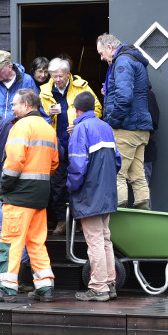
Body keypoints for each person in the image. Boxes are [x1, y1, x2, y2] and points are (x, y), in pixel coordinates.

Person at [0, 89, 58, 303]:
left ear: (26, 105)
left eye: (14, 105)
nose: (12, 109)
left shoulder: (21, 126)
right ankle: (45, 287)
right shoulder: (47, 128)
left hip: (18, 195)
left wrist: (4, 187)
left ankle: (6, 287)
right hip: (40, 196)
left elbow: (14, 162)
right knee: (36, 242)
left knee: (10, 241)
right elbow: (54, 164)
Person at [66, 92, 122, 301]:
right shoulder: (105, 127)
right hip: (107, 192)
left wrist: (70, 188)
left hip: (89, 194)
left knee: (95, 240)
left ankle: (98, 287)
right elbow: (117, 161)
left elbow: (77, 166)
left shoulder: (80, 129)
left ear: (76, 109)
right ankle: (109, 283)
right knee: (105, 238)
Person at [39, 57, 102, 235]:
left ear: (68, 73)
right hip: (56, 144)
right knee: (57, 185)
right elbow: (37, 116)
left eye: (60, 76)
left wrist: (79, 123)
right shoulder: (44, 91)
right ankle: (62, 220)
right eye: (53, 76)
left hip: (79, 144)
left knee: (81, 182)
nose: (57, 79)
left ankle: (82, 220)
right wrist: (48, 115)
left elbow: (97, 110)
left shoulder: (82, 87)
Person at [0, 94, 31, 294]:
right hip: (25, 188)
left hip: (1, 186)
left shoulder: (2, 125)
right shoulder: (36, 124)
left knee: (1, 230)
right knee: (24, 232)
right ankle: (17, 280)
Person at [97, 33, 154, 209]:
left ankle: (118, 214)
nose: (101, 58)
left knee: (117, 173)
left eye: (101, 53)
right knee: (137, 175)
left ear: (109, 48)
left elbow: (124, 97)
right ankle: (143, 215)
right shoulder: (135, 60)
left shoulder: (122, 62)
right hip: (140, 128)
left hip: (126, 128)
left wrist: (112, 121)